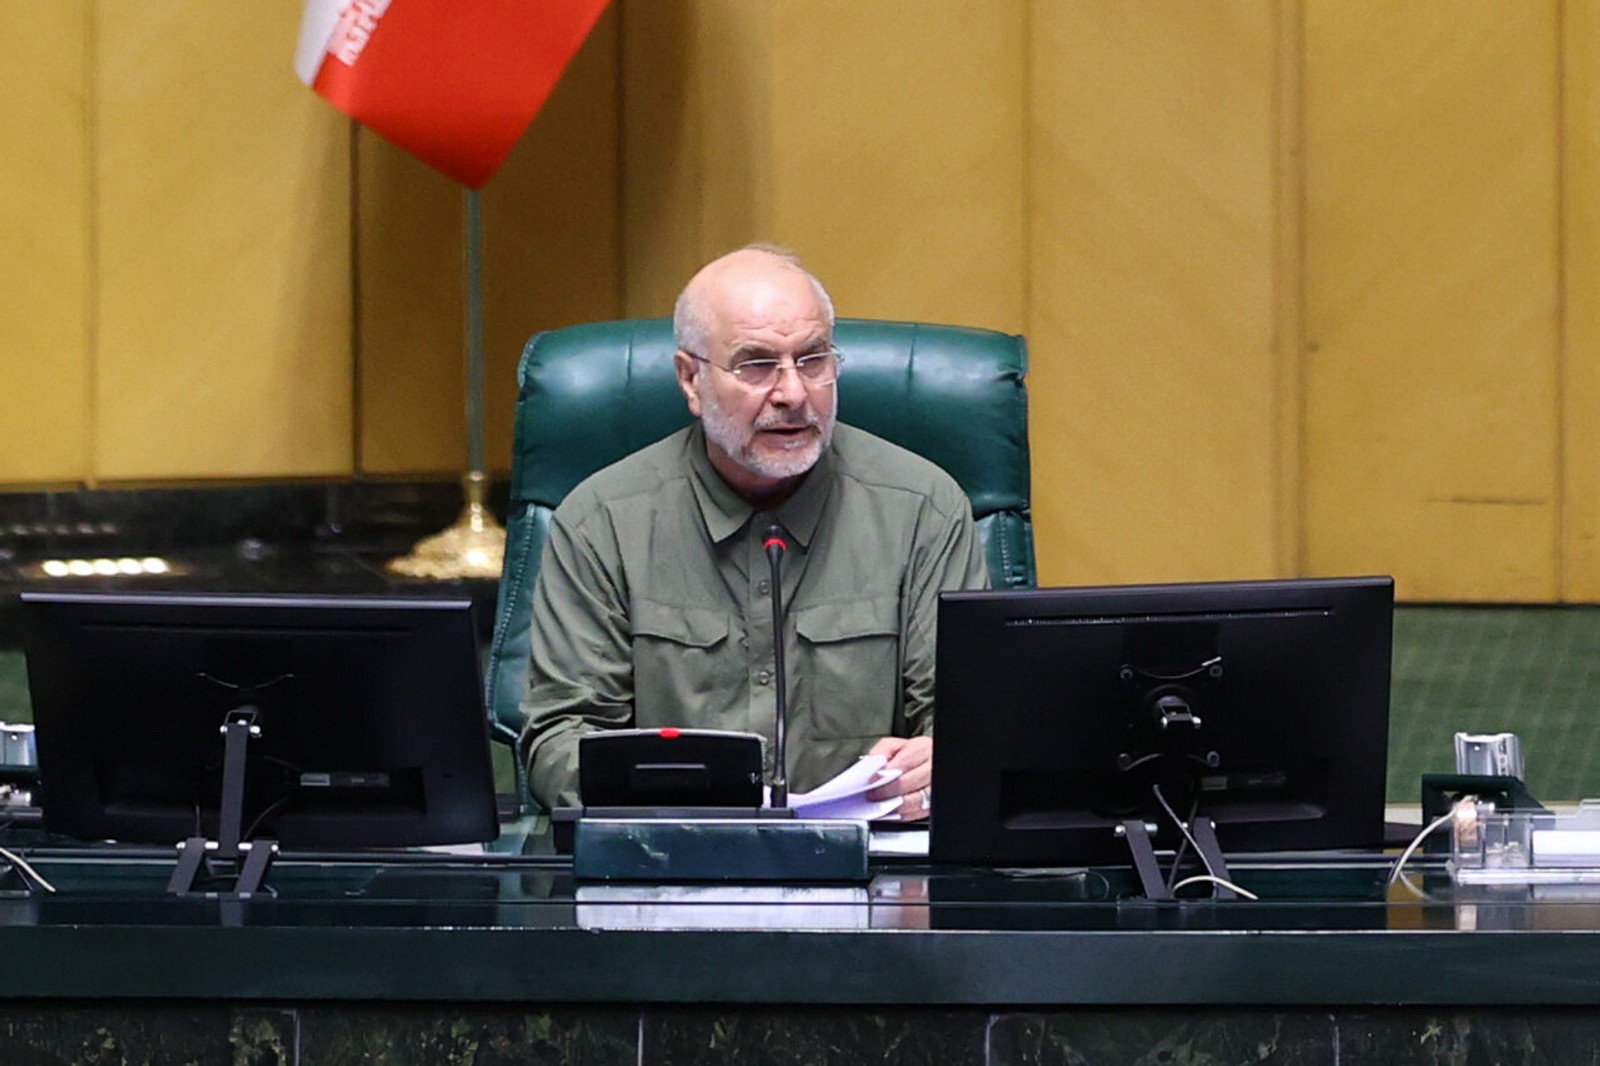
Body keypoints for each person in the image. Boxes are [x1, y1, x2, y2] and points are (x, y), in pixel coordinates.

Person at [518, 246, 988, 819]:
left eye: (813, 360)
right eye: (756, 365)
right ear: (691, 380)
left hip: (871, 858)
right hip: (670, 859)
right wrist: (668, 794)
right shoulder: (603, 522)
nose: (794, 393)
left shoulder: (923, 510)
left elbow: (969, 724)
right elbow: (560, 740)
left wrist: (940, 766)